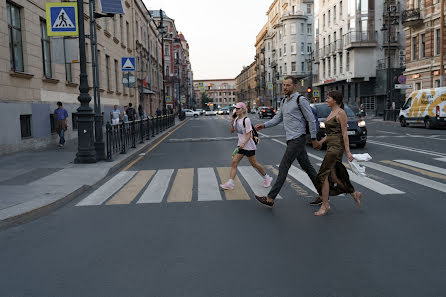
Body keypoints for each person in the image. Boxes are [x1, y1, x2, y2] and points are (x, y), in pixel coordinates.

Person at [254, 76, 321, 207]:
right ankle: (324, 194)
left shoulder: (300, 100)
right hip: (291, 139)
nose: (285, 87)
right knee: (307, 167)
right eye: (284, 85)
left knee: (283, 167)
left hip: (298, 138)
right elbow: (278, 118)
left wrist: (313, 138)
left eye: (288, 85)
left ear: (294, 86)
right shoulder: (284, 101)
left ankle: (270, 198)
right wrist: (264, 125)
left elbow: (311, 120)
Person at [313, 90, 362, 216]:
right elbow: (331, 134)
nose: (326, 100)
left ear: (335, 100)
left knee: (322, 175)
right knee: (334, 177)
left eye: (328, 98)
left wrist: (348, 152)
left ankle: (325, 205)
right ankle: (354, 193)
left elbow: (344, 134)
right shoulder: (332, 112)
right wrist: (321, 142)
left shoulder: (341, 113)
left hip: (336, 148)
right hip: (331, 146)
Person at [220, 102, 272, 190]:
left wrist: (243, 143)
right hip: (241, 146)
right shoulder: (236, 120)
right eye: (235, 108)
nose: (236, 110)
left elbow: (249, 135)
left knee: (254, 164)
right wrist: (232, 121)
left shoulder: (246, 120)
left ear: (243, 110)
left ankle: (267, 178)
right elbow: (231, 131)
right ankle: (230, 183)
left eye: (238, 109)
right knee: (234, 163)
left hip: (248, 146)